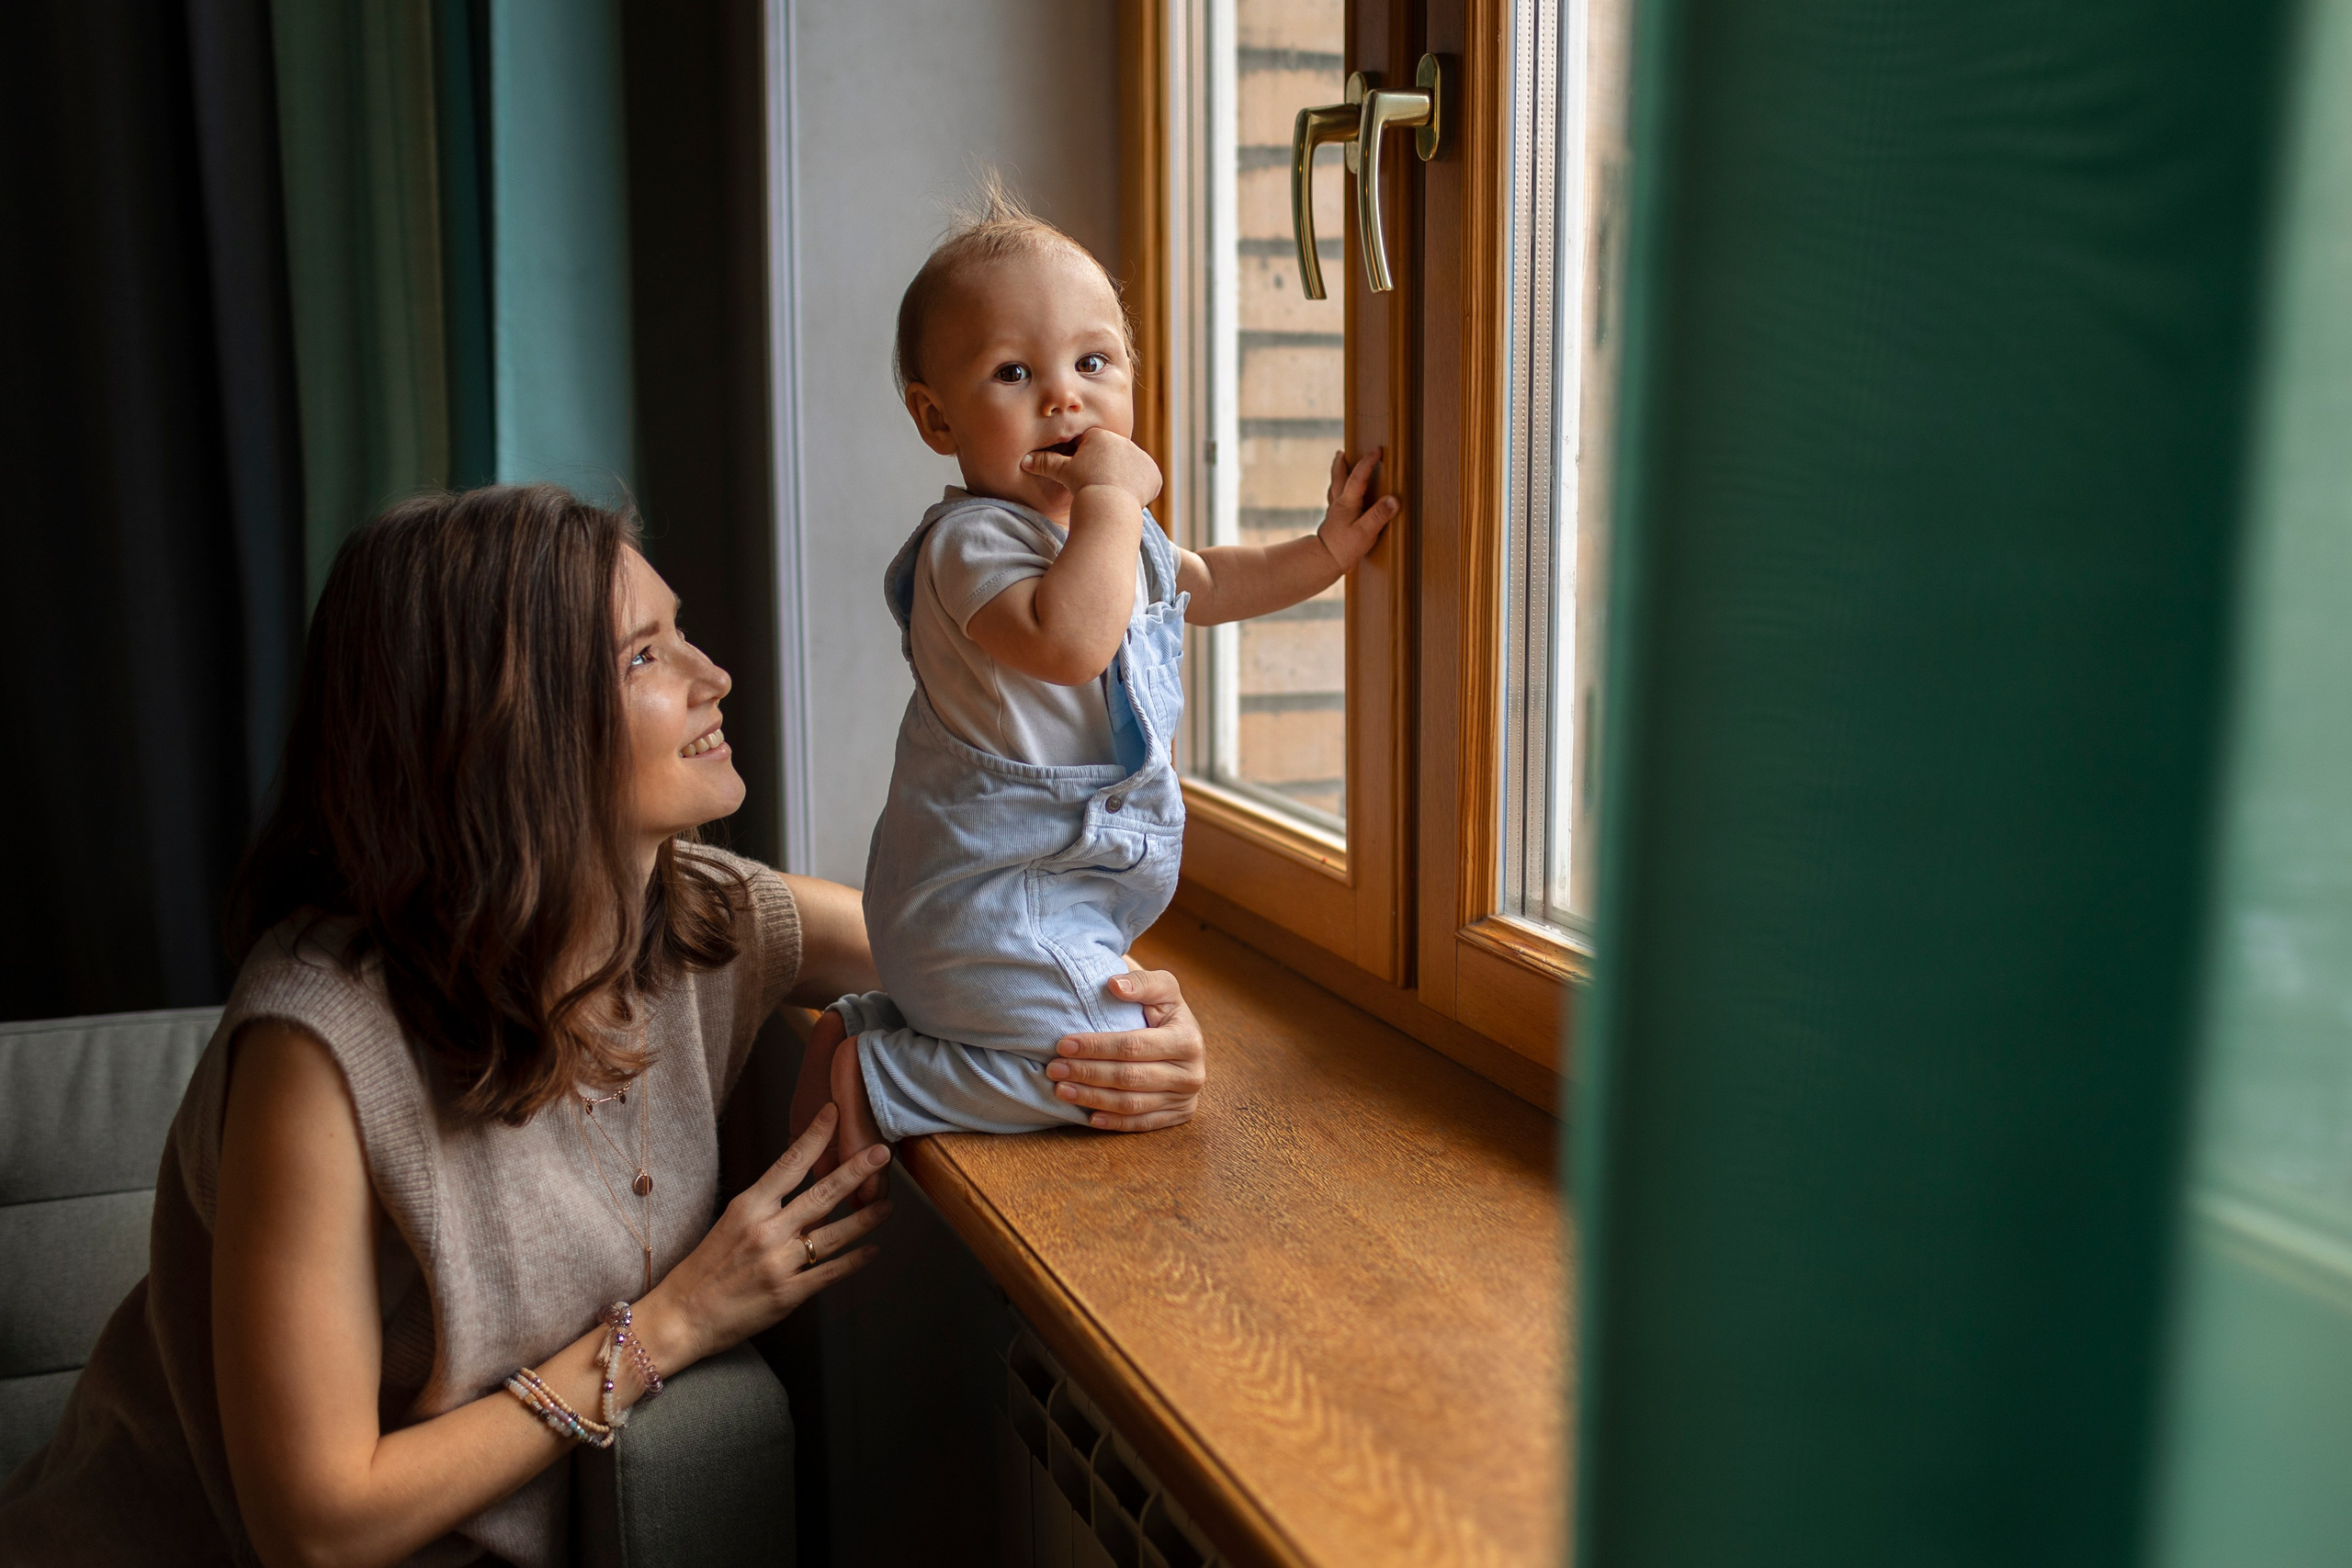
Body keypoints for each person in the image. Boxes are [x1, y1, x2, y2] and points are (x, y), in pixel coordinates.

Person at [0, 485, 1207, 1566]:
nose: (713, 673)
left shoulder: (697, 919)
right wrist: (675, 1320)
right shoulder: (316, 1055)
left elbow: (978, 952)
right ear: (500, 725)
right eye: (645, 655)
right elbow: (317, 1522)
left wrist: (1142, 1026)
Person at [812, 179, 1397, 1171]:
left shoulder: (1109, 531)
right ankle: (882, 1075)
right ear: (937, 421)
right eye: (1012, 373)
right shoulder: (970, 546)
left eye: (1093, 362)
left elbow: (1202, 580)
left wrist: (1323, 553)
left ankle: (878, 1023)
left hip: (1057, 903)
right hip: (986, 906)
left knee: (1125, 1044)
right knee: (1126, 1066)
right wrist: (1114, 500)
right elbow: (1070, 636)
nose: (1063, 397)